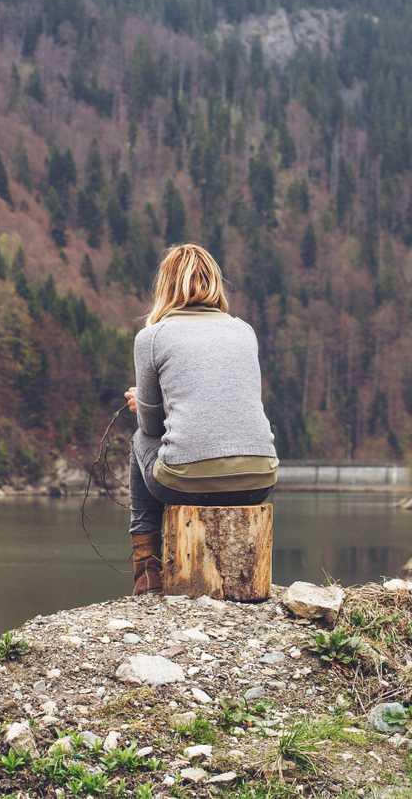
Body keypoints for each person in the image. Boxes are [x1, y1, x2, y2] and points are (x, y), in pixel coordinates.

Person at [125, 243, 278, 594]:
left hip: (183, 481)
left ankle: (146, 574)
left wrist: (144, 402)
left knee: (139, 442)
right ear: (214, 282)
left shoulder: (151, 338)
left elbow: (150, 427)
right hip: (258, 480)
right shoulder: (244, 331)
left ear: (164, 286)